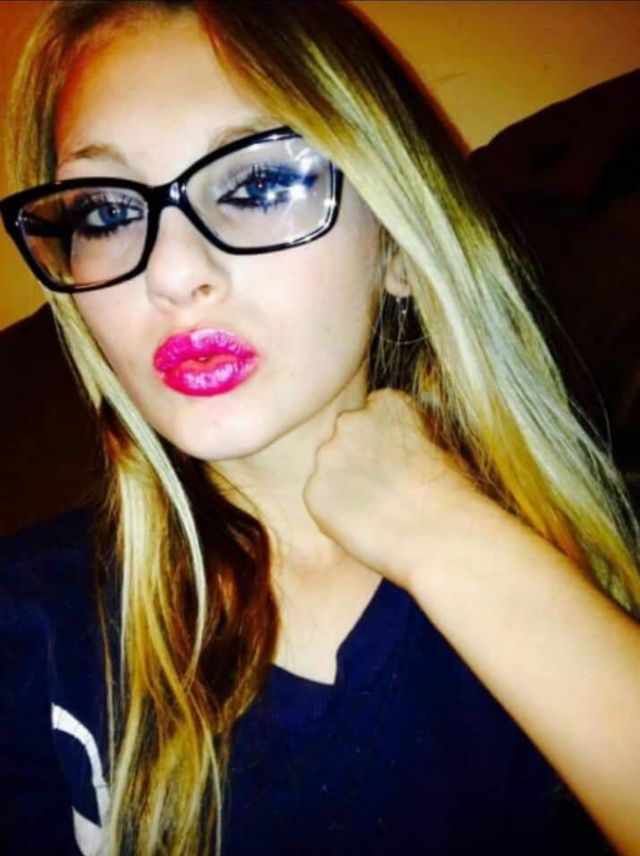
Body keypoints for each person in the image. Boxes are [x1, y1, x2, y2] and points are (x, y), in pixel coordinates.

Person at [0, 1, 639, 854]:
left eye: (260, 183)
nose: (174, 274)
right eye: (105, 214)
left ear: (397, 245)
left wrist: (447, 535)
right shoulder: (26, 628)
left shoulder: (596, 566)